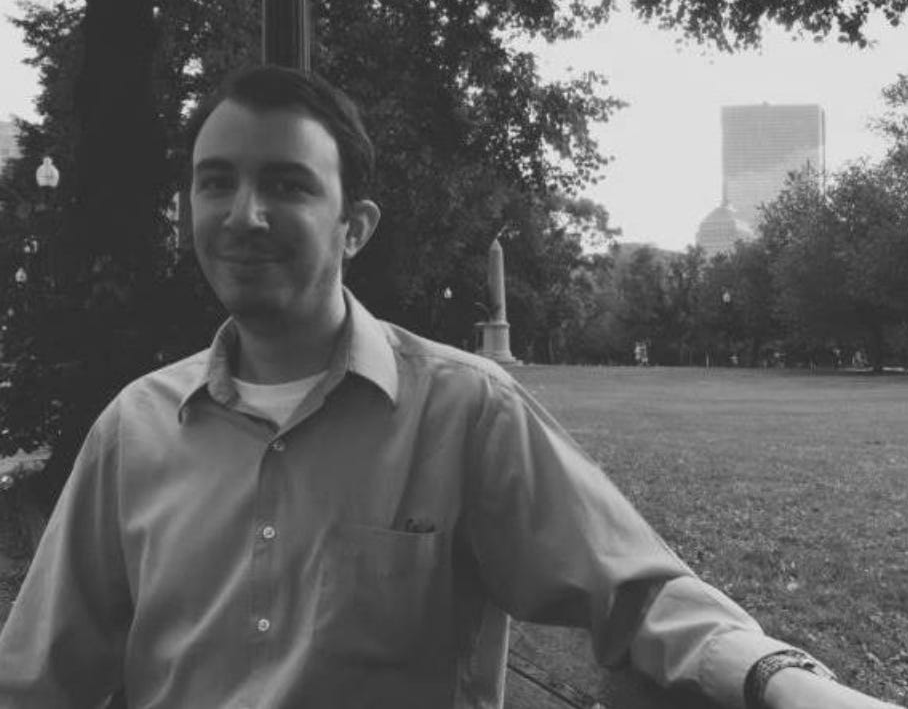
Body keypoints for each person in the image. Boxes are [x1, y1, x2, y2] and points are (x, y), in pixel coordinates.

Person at [0, 66, 897, 709]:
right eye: (215, 183)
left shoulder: (463, 412)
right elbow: (39, 677)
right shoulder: (135, 430)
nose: (244, 215)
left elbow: (632, 590)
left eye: (286, 184)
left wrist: (781, 681)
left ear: (354, 227)